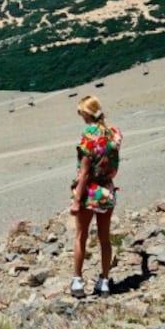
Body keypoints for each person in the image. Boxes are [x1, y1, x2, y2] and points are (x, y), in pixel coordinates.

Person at [69, 95, 123, 298]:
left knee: (81, 236)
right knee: (104, 238)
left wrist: (76, 201)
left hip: (89, 192)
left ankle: (77, 281)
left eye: (80, 111)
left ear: (86, 113)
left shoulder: (88, 137)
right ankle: (105, 281)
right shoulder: (113, 134)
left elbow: (84, 173)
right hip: (107, 190)